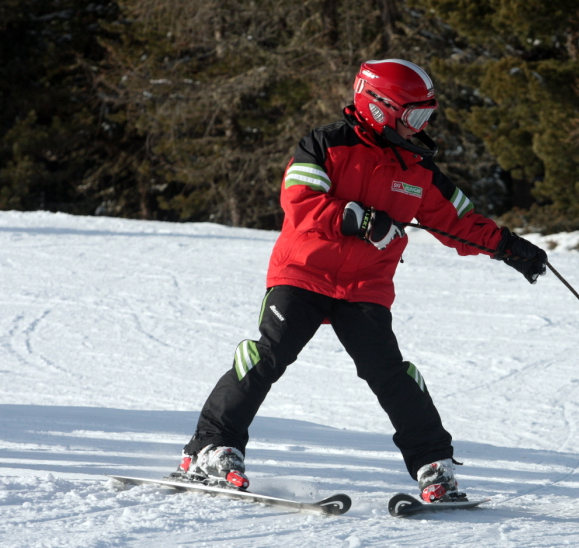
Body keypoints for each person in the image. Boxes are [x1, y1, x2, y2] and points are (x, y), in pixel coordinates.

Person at [175, 58, 548, 503]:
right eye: (414, 116)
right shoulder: (324, 144)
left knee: (387, 371)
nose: (420, 126)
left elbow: (460, 221)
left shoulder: (419, 168)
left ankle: (434, 463)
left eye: (427, 116)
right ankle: (212, 447)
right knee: (270, 354)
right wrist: (360, 218)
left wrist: (508, 247)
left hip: (365, 287)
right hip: (303, 273)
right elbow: (301, 202)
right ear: (379, 106)